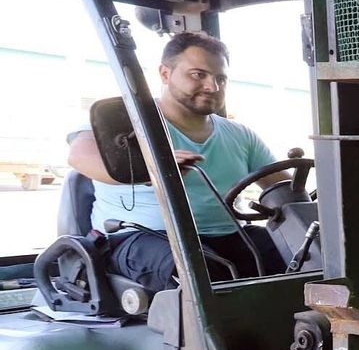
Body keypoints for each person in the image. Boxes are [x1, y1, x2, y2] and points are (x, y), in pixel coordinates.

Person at [68, 32, 286, 292]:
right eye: (198, 74)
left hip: (228, 236)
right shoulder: (128, 122)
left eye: (220, 79)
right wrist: (154, 167)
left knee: (298, 257)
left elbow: (285, 191)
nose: (212, 87)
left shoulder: (240, 134)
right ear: (165, 73)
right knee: (201, 271)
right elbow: (79, 155)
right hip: (139, 237)